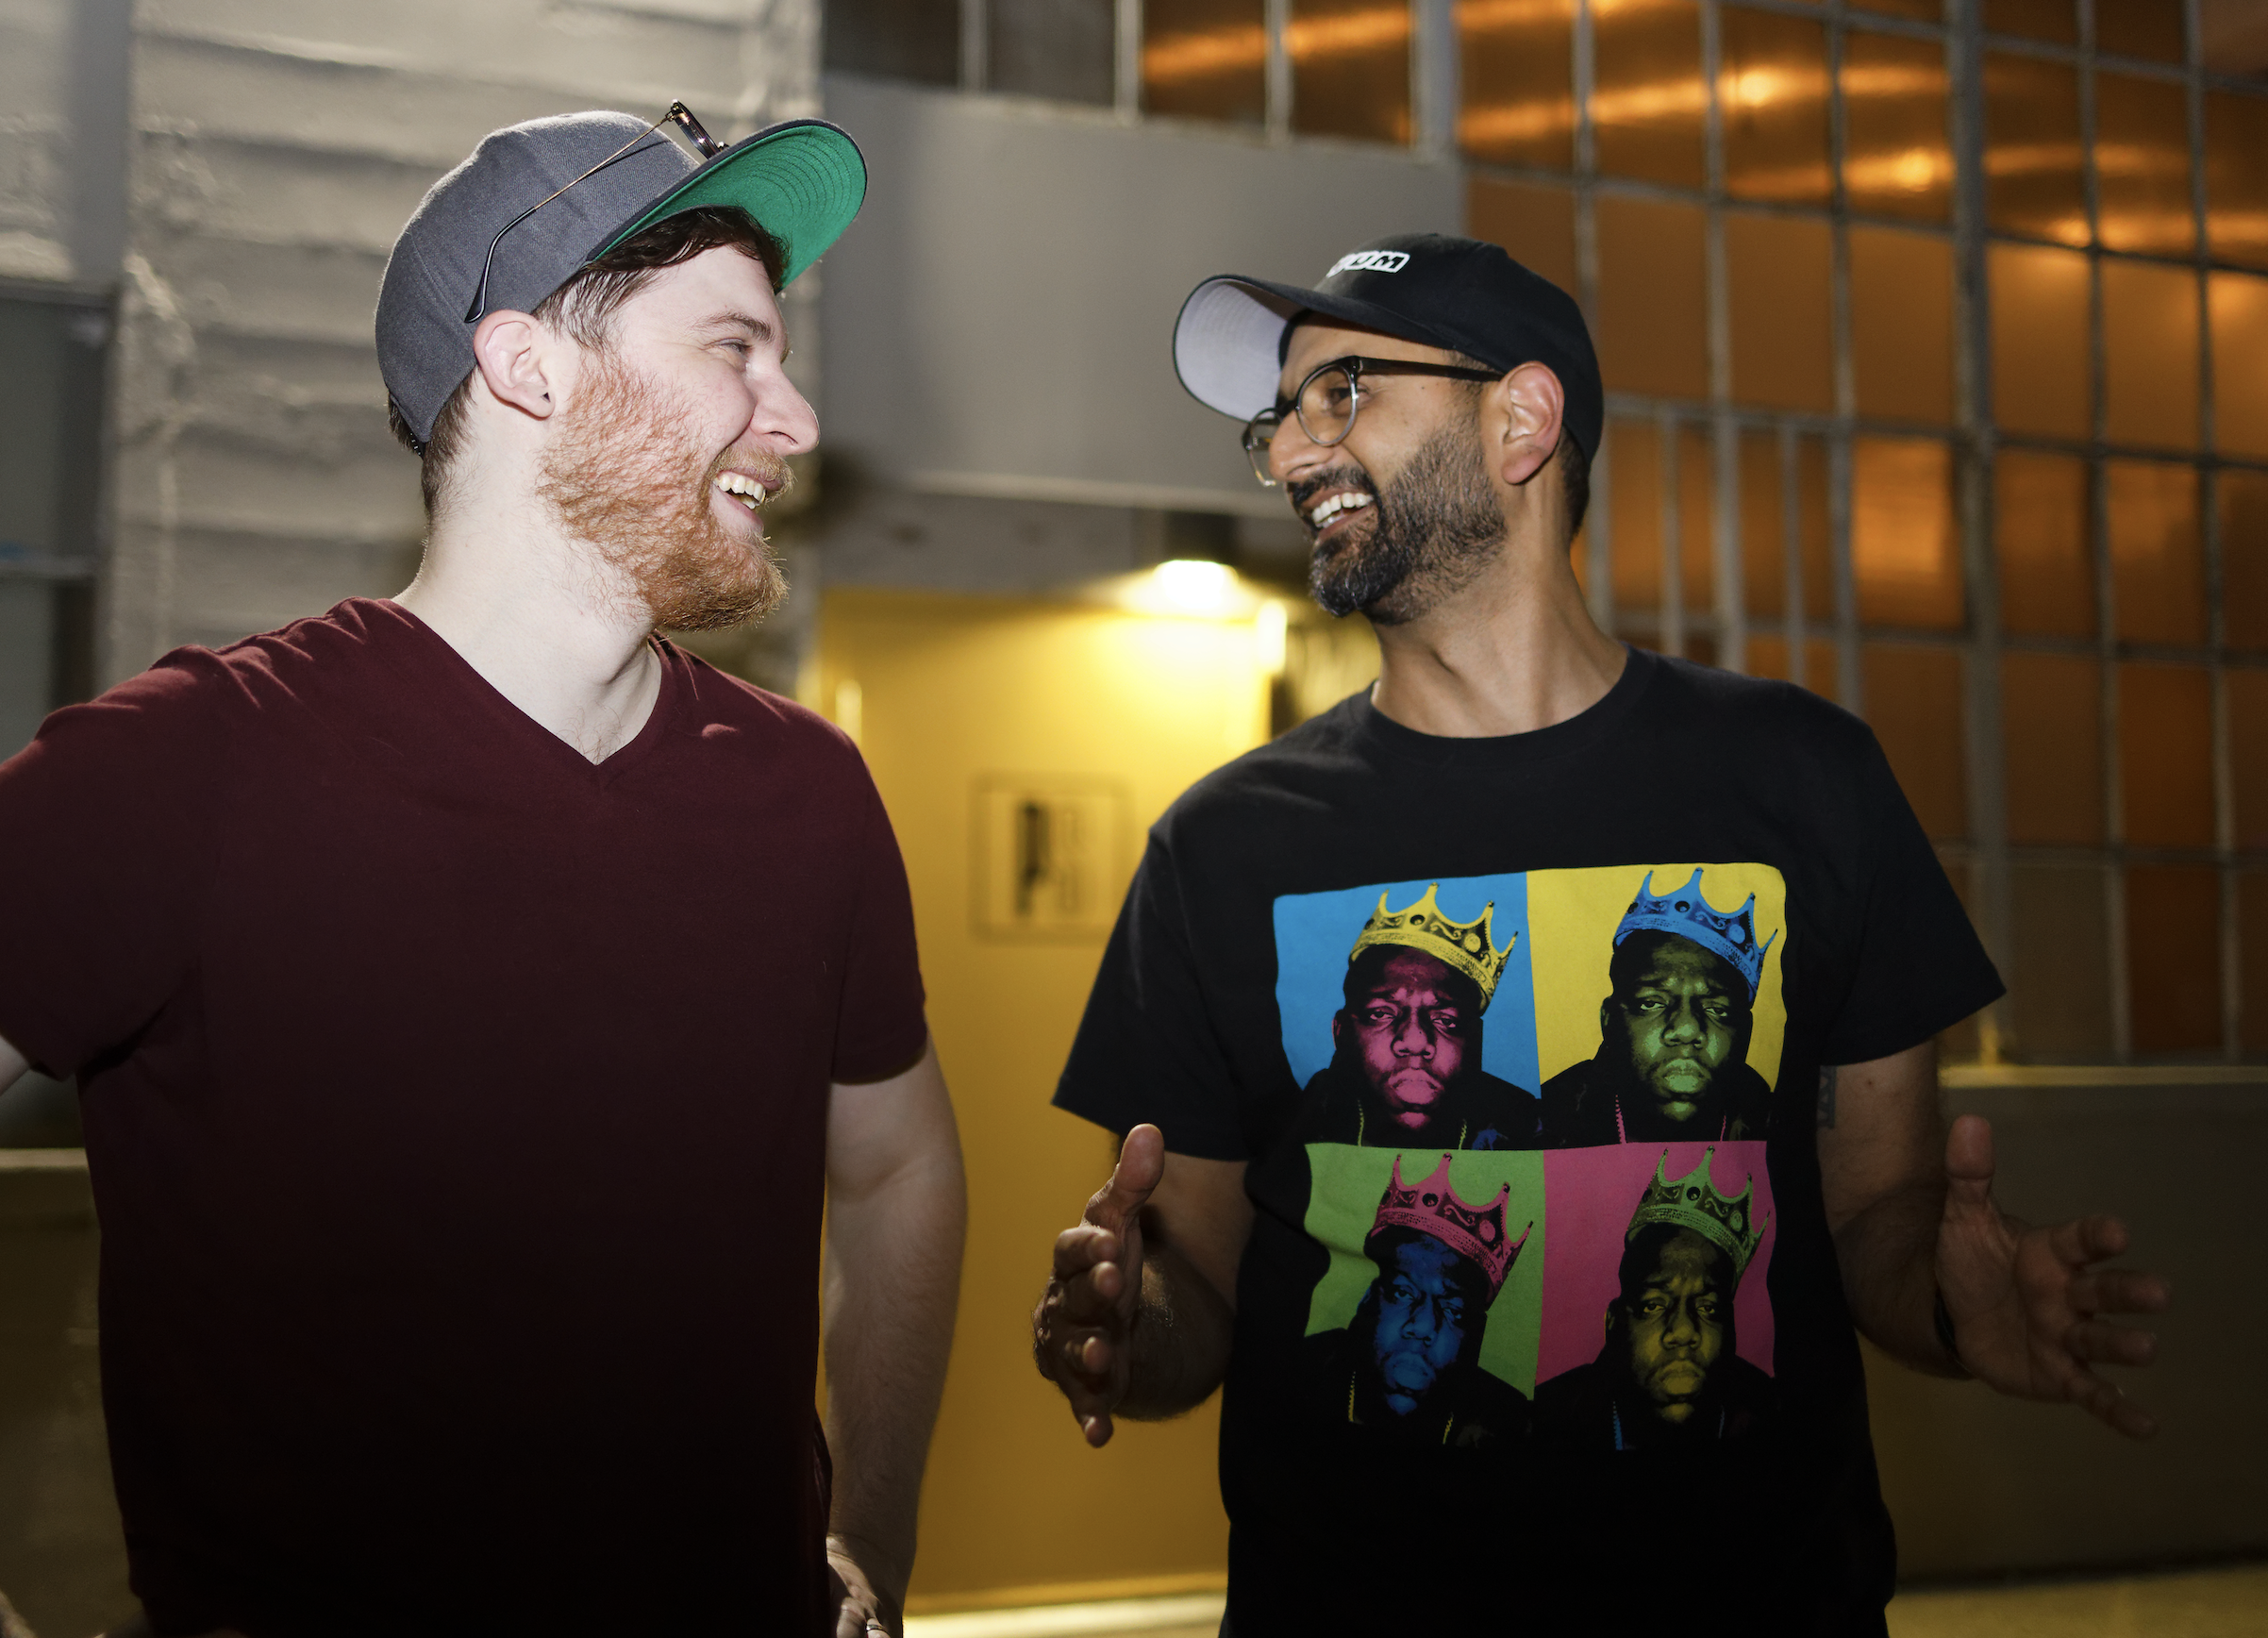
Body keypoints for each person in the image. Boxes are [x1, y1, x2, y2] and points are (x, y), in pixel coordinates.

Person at [1030, 233, 2169, 1633]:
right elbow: (1194, 1281)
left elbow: (1875, 1209)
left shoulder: (1806, 779)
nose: (1286, 453)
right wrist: (1125, 1332)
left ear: (1523, 420)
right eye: (1279, 419)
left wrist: (1947, 1302)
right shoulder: (1220, 845)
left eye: (1341, 392)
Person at [0, 107, 966, 1638]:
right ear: (530, 369)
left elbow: (901, 1162)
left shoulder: (806, 794)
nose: (790, 421)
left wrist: (871, 1544)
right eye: (735, 350)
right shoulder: (185, 768)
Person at [1533, 1148, 1776, 1448]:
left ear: (1732, 1328)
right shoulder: (1546, 1419)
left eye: (1708, 1308)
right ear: (1614, 1323)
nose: (1684, 1332)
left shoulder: (1777, 1415)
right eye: (1654, 1305)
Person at [1295, 1154, 1532, 1447]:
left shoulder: (1507, 1422)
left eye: (1453, 1309)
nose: (1422, 1327)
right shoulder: (1299, 1371)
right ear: (1369, 1299)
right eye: (1403, 1293)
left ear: (1474, 1335)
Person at [1540, 868, 1775, 1145]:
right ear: (1609, 1021)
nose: (1687, 1030)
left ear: (1746, 1032)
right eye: (1651, 1003)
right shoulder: (1539, 1125)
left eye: (1717, 1009)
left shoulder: (1778, 1125)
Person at [1298, 884, 1537, 1150]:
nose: (1414, 1041)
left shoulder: (1523, 1126)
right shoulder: (1301, 1116)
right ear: (1340, 1032)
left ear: (1475, 1041)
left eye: (1447, 1021)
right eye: (1381, 1014)